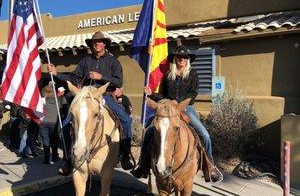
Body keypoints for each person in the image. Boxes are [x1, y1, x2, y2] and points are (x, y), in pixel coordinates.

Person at [131, 45, 223, 183]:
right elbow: (162, 94)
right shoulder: (168, 75)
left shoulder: (193, 74)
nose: (182, 60)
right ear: (175, 59)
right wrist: (151, 94)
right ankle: (143, 166)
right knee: (150, 132)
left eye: (185, 57)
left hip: (187, 109)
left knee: (205, 135)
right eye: (179, 57)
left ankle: (210, 166)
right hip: (168, 110)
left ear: (188, 60)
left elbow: (193, 93)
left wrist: (179, 103)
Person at [47, 31, 134, 174]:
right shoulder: (86, 61)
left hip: (104, 94)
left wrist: (102, 77)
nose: (97, 44)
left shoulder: (113, 61)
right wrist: (57, 74)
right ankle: (69, 159)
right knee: (66, 124)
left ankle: (124, 156)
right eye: (94, 42)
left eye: (99, 41)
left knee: (126, 120)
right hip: (86, 95)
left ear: (104, 43)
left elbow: (119, 81)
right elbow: (74, 78)